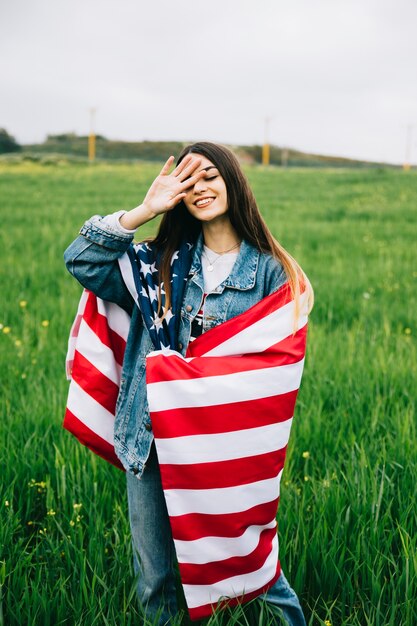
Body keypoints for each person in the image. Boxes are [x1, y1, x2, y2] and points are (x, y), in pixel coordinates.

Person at [64, 142, 313, 625]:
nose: (200, 189)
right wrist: (143, 210)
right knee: (156, 580)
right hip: (151, 437)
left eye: (211, 177)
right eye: (189, 181)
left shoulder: (270, 272)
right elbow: (82, 262)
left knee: (254, 567)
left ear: (233, 183)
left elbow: (276, 365)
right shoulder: (156, 264)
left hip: (223, 444)